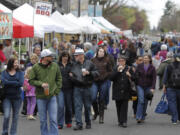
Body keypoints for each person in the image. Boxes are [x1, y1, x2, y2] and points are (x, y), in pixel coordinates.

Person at [29, 49, 62, 135]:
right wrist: (41, 84)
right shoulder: (36, 67)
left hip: (52, 96)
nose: (52, 57)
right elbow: (31, 80)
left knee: (53, 119)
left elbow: (59, 79)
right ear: (45, 57)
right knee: (43, 120)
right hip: (41, 97)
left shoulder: (55, 65)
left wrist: (56, 91)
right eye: (50, 56)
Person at [69, 48, 99, 130]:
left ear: (82, 55)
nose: (75, 57)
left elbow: (97, 73)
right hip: (77, 87)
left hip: (87, 87)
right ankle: (79, 124)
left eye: (77, 55)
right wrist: (71, 76)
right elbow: (70, 75)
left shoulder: (89, 63)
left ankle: (88, 122)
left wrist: (89, 73)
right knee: (78, 106)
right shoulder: (73, 64)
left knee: (87, 106)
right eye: (75, 56)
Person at [1, 57, 24, 135]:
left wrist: (9, 82)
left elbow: (21, 83)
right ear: (11, 63)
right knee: (6, 115)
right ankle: (4, 132)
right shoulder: (4, 72)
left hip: (17, 98)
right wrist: (15, 82)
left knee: (15, 117)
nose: (16, 64)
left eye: (17, 63)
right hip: (6, 97)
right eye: (15, 63)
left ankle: (13, 133)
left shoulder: (20, 72)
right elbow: (4, 82)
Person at [110, 55, 134, 128]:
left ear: (125, 61)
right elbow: (111, 78)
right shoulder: (115, 68)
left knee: (124, 106)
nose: (121, 62)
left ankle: (124, 121)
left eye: (122, 61)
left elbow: (135, 78)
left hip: (126, 90)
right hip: (117, 90)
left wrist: (130, 75)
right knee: (118, 106)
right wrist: (117, 71)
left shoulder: (129, 68)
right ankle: (120, 121)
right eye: (119, 61)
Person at [91, 47, 113, 124]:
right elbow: (90, 70)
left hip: (104, 81)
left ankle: (101, 117)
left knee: (101, 99)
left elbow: (110, 71)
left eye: (103, 51)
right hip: (94, 81)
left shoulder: (107, 60)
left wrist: (105, 75)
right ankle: (96, 112)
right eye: (100, 51)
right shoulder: (93, 60)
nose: (101, 53)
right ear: (97, 52)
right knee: (93, 97)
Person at [135, 54, 156, 124]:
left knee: (146, 101)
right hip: (140, 85)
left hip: (148, 86)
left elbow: (154, 79)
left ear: (149, 59)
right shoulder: (139, 66)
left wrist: (152, 88)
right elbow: (136, 75)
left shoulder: (152, 68)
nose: (145, 59)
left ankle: (143, 116)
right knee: (141, 100)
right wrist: (137, 80)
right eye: (144, 58)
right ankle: (138, 117)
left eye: (146, 58)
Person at [57, 51, 73, 129]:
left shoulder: (71, 65)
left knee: (69, 106)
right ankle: (60, 123)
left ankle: (68, 121)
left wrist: (72, 75)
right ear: (61, 57)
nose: (65, 58)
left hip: (69, 88)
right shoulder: (57, 65)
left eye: (66, 56)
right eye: (64, 56)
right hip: (60, 88)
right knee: (60, 106)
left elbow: (75, 74)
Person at [163, 54, 180, 124]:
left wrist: (164, 86)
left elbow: (165, 77)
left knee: (172, 102)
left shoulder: (169, 66)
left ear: (173, 58)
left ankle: (174, 119)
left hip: (170, 87)